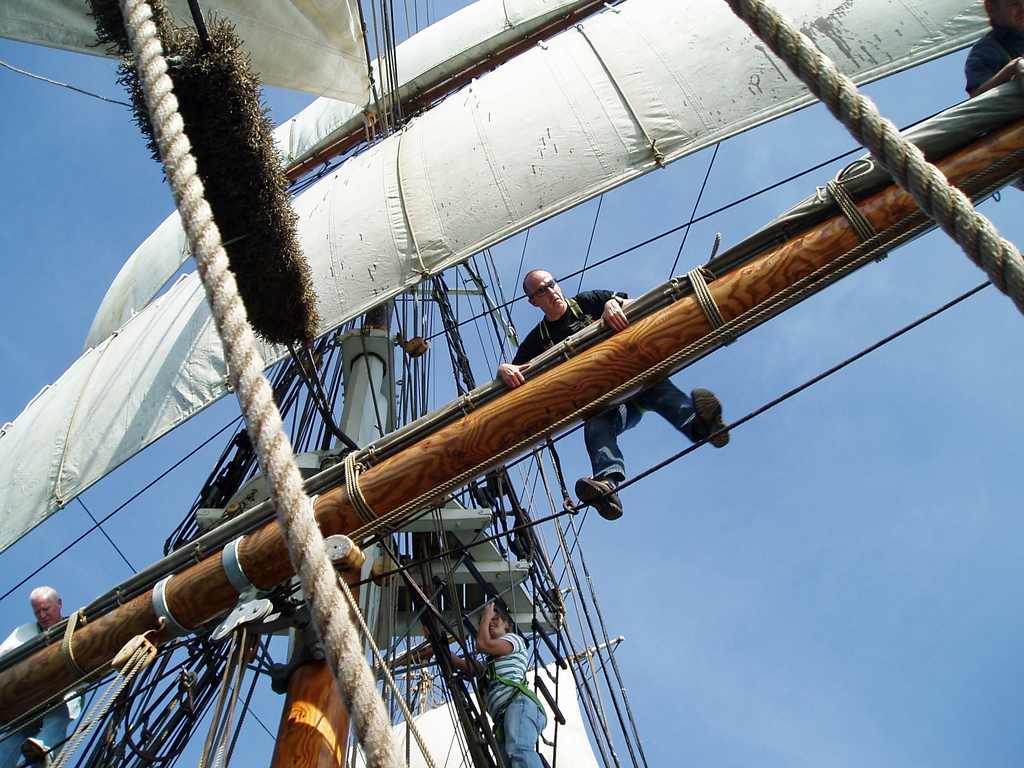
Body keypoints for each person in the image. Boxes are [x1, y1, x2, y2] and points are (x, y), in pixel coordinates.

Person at [497, 269, 729, 520]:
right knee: (596, 424)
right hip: (606, 401)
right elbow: (514, 373)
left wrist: (614, 304)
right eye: (541, 290)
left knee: (655, 388)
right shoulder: (538, 340)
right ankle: (607, 486)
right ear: (533, 301)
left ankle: (702, 427)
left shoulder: (588, 301)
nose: (551, 291)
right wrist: (503, 368)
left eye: (551, 284)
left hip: (634, 377)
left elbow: (634, 305)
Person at [446, 603, 546, 768]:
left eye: (495, 619)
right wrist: (435, 644)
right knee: (504, 763)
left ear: (507, 625)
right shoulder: (488, 666)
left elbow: (482, 645)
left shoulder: (514, 641)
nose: (490, 622)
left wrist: (485, 618)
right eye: (488, 621)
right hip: (502, 718)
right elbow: (459, 663)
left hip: (519, 704)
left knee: (519, 748)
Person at [0, 588, 79, 768]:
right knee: (16, 733)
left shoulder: (75, 626)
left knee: (58, 715)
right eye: (38, 612)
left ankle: (44, 753)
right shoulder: (24, 633)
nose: (42, 616)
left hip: (60, 695)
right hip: (27, 699)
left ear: (59, 604)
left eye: (46, 609)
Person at [965, 0, 1024, 97]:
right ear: (991, 8)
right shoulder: (988, 48)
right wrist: (1012, 68)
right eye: (1014, 3)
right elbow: (977, 99)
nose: (1023, 9)